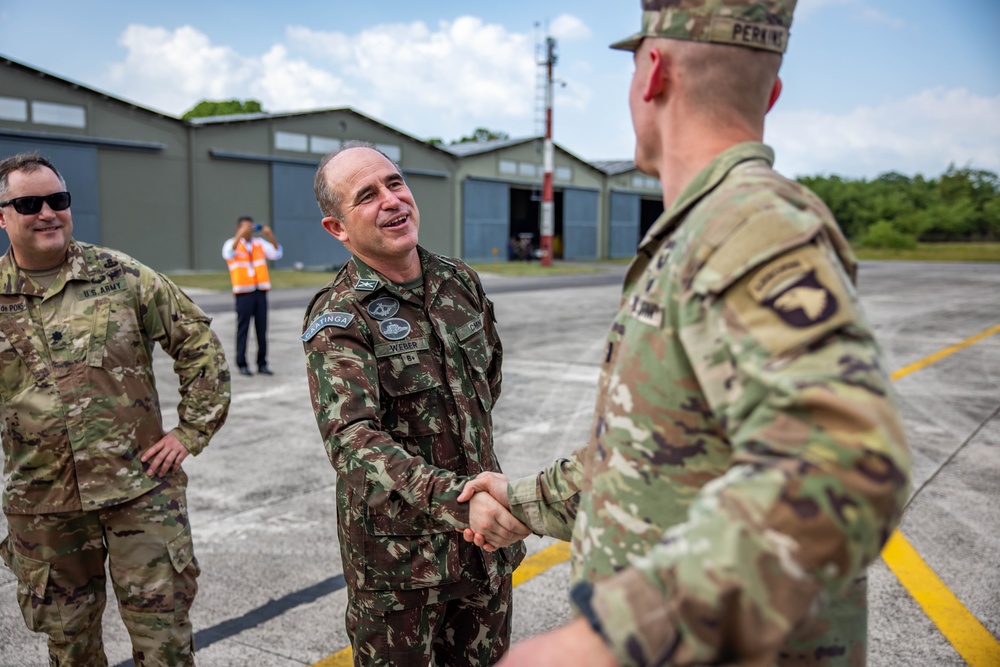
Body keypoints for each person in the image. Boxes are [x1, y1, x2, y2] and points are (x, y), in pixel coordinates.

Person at [459, 1, 912, 666]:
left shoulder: (748, 226)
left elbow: (849, 465)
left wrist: (607, 638)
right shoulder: (699, 233)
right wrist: (523, 500)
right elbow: (660, 449)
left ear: (652, 73)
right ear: (773, 92)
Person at [301, 141, 529, 666]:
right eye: (366, 195)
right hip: (400, 566)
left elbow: (486, 383)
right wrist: (458, 498)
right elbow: (351, 439)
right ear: (337, 228)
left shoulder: (459, 281)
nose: (391, 200)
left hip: (482, 548)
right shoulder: (341, 315)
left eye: (395, 183)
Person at [0, 152, 231, 666]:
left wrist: (191, 431)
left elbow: (196, 340)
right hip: (43, 507)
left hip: (141, 493)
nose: (47, 213)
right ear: (2, 215)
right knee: (69, 647)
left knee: (165, 643)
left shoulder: (120, 276)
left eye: (58, 200)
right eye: (28, 203)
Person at [222, 215, 282, 376]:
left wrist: (269, 234)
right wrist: (239, 236)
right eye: (245, 227)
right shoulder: (232, 243)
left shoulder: (259, 244)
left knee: (262, 329)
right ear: (238, 228)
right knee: (243, 329)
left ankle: (262, 363)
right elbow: (228, 254)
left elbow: (277, 253)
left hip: (260, 292)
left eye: (251, 226)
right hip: (243, 293)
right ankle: (242, 363)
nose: (249, 229)